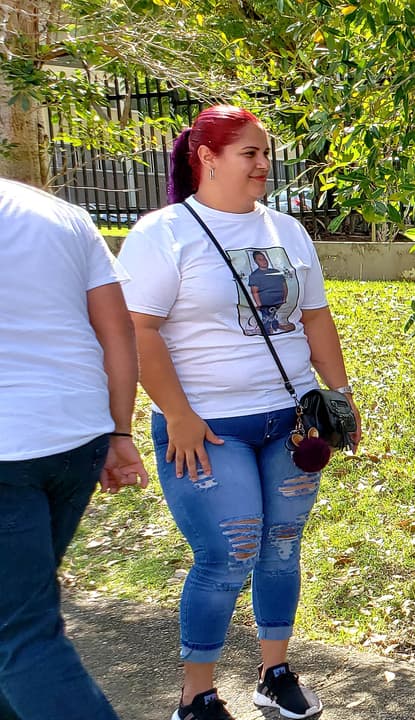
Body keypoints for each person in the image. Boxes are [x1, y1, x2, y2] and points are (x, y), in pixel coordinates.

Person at [117, 105, 361, 720]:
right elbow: (138, 331)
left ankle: (273, 672)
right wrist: (176, 414)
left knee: (282, 543)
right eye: (249, 153)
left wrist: (340, 395)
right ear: (207, 158)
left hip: (291, 419)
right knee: (230, 552)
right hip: (207, 428)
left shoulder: (287, 230)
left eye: (265, 153)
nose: (263, 164)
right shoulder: (163, 232)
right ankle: (195, 695)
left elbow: (314, 317)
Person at [0, 178, 149, 720]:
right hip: (74, 438)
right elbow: (117, 332)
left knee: (21, 634)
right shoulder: (59, 213)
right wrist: (119, 432)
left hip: (11, 450)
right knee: (21, 618)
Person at [246, 250, 293, 334]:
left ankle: (275, 326)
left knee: (274, 316)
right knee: (266, 319)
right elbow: (254, 291)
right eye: (260, 259)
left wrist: (284, 298)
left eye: (264, 258)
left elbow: (284, 286)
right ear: (256, 262)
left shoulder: (276, 272)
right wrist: (259, 304)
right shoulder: (255, 275)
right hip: (265, 304)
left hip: (279, 302)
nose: (263, 261)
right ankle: (268, 330)